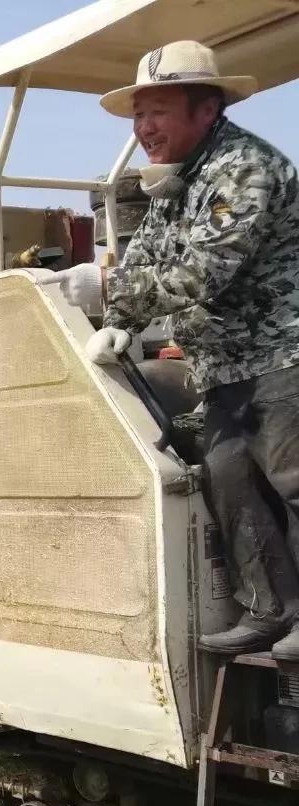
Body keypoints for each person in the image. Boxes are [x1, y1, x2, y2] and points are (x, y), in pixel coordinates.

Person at [75, 42, 299, 658]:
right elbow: (145, 253)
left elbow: (206, 268)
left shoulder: (245, 169)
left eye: (158, 111)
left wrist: (121, 296)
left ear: (206, 108)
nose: (144, 128)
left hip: (283, 356)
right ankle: (270, 612)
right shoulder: (180, 181)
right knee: (233, 485)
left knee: (293, 484)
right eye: (138, 115)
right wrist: (119, 317)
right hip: (226, 368)